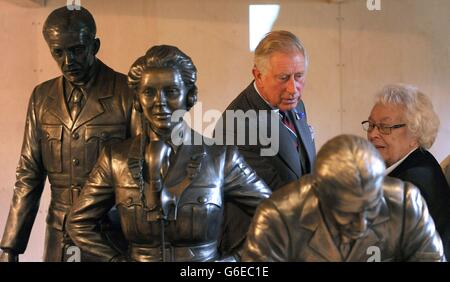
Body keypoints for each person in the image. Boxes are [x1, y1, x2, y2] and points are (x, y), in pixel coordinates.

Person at [66, 45, 271, 262]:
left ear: (189, 96)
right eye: (149, 92)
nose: (159, 102)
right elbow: (79, 222)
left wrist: (233, 261)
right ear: (137, 99)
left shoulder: (220, 158)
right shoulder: (116, 159)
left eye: (171, 91)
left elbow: (276, 216)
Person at [0, 6, 138, 262]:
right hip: (59, 236)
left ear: (94, 46)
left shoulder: (126, 93)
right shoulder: (41, 98)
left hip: (109, 235)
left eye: (76, 50)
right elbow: (28, 175)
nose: (68, 61)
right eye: (58, 52)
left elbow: (143, 176)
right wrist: (10, 246)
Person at [241, 134, 445, 262]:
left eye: (370, 208)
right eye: (347, 213)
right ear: (318, 195)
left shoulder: (406, 202)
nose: (361, 224)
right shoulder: (278, 216)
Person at [218, 30, 315, 191]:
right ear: (259, 76)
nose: (293, 89)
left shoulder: (295, 104)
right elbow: (271, 196)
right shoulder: (234, 127)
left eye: (298, 76)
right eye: (283, 78)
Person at [363, 83, 450, 257]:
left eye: (385, 127)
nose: (373, 134)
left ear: (415, 134)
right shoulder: (422, 161)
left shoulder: (409, 185)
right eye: (371, 125)